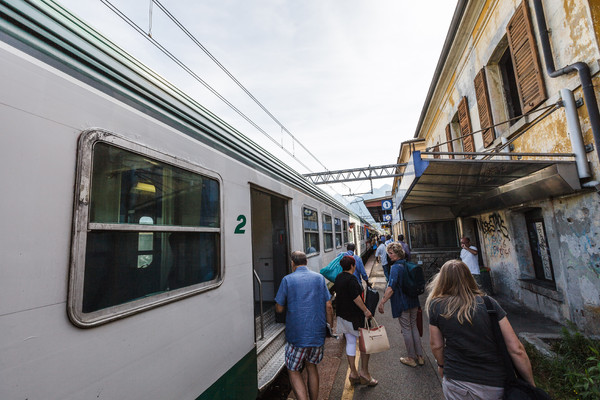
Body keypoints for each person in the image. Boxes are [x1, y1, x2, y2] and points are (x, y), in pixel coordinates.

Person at [426, 260, 535, 400]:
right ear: (468, 277)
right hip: (494, 382)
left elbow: (437, 345)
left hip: (457, 380)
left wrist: (441, 365)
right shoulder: (489, 303)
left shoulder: (436, 306)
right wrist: (530, 384)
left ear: (442, 279)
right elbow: (516, 349)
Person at [275, 251, 334, 400]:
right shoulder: (319, 278)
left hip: (297, 335)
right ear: (306, 262)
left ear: (292, 263)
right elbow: (328, 306)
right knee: (311, 366)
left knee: (293, 369)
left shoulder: (287, 280)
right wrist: (329, 328)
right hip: (317, 333)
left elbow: (279, 308)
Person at [378, 242, 424, 367]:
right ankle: (420, 356)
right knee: (413, 326)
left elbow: (391, 288)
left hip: (402, 303)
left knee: (406, 329)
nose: (389, 256)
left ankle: (411, 357)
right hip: (413, 301)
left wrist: (382, 302)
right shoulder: (407, 265)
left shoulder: (395, 268)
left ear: (397, 254)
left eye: (391, 253)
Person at [333, 256, 378, 386]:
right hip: (354, 317)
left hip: (342, 316)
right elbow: (356, 298)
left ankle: (353, 373)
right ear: (353, 266)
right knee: (365, 344)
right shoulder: (352, 280)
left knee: (351, 343)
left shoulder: (338, 278)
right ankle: (365, 373)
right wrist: (366, 310)